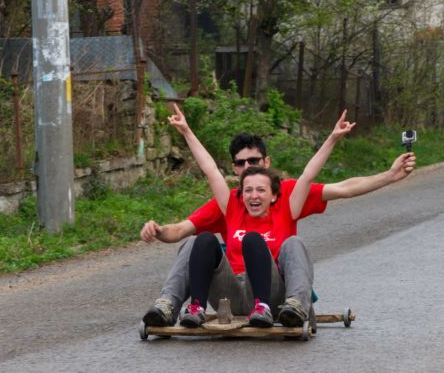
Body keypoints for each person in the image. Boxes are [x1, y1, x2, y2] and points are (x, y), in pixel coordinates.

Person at [140, 110, 416, 328]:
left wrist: (386, 173)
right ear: (239, 186)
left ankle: (296, 304)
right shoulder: (230, 204)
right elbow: (209, 171)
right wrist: (158, 230)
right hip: (228, 293)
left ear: (273, 193)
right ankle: (170, 306)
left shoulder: (288, 200)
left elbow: (333, 183)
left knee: (289, 243)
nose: (253, 195)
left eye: (260, 188)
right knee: (196, 241)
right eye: (247, 188)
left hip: (271, 292)